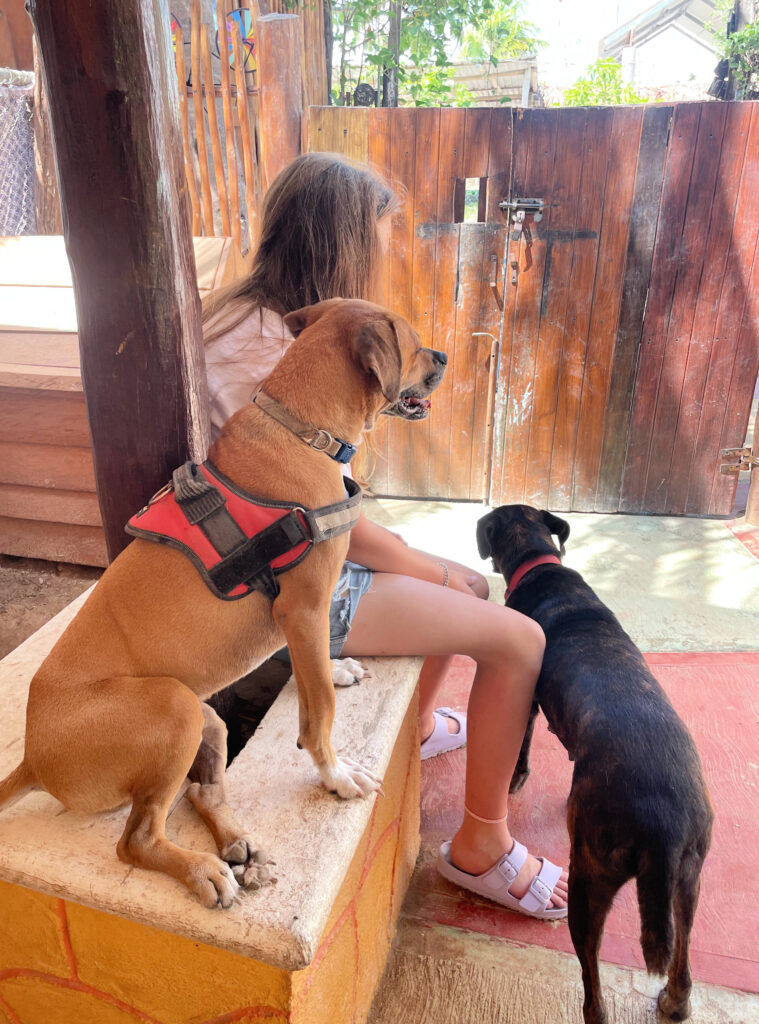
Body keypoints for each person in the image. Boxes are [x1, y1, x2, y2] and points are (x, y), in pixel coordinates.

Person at [202, 152, 568, 919]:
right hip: (274, 586)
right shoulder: (270, 352)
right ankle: (482, 845)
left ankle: (423, 724)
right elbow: (317, 513)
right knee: (517, 638)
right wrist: (427, 569)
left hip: (274, 549)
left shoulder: (260, 320)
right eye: (377, 232)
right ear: (340, 239)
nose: (384, 248)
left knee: (464, 582)